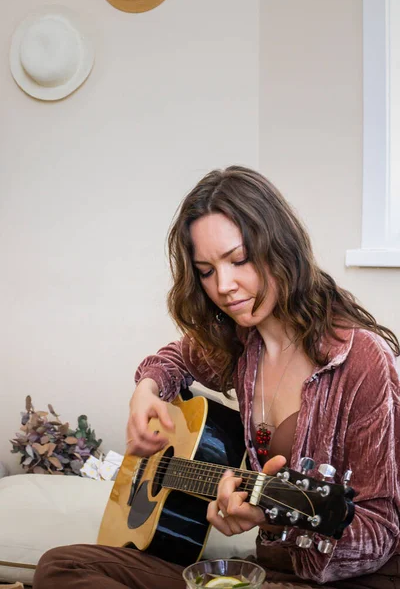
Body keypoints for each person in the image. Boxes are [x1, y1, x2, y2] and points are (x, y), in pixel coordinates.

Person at [33, 166, 400, 589]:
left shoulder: (361, 359)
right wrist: (147, 389)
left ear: (280, 247)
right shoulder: (242, 344)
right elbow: (172, 359)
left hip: (344, 579)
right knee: (63, 566)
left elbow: (381, 534)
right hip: (267, 571)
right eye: (206, 270)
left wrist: (277, 521)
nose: (224, 285)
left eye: (238, 260)